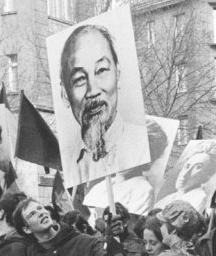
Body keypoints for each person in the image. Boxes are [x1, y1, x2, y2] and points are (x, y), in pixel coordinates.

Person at [58, 23, 149, 186]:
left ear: (118, 75)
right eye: (79, 79)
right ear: (65, 94)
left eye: (101, 71)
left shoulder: (143, 147)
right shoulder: (65, 167)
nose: (92, 91)